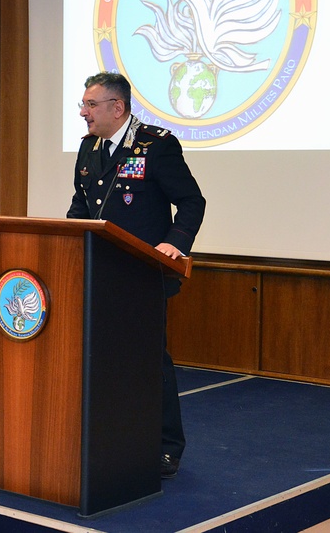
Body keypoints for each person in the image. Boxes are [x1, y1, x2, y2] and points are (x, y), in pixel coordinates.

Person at [67, 72, 206, 479]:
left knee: (149, 362)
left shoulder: (156, 145)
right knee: (100, 360)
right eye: (84, 104)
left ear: (117, 107)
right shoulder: (89, 148)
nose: (83, 112)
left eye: (91, 105)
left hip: (143, 276)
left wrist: (174, 244)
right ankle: (111, 436)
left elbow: (192, 201)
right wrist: (68, 239)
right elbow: (81, 204)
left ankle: (166, 446)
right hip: (98, 274)